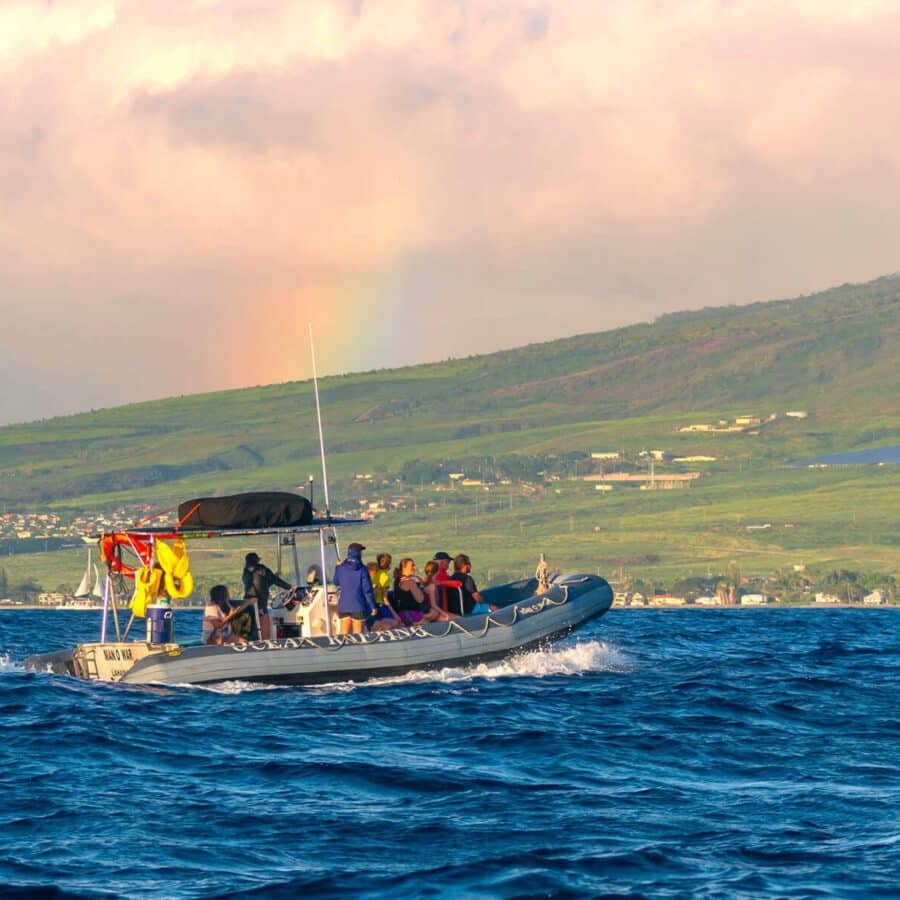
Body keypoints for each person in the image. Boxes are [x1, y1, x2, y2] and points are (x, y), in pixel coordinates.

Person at [242, 551, 291, 640]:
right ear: (257, 561)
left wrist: (272, 578)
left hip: (248, 604)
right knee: (265, 634)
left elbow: (261, 584)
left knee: (253, 632)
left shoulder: (246, 572)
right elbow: (275, 580)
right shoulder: (261, 569)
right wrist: (289, 587)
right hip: (260, 603)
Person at [333, 541, 376, 634]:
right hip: (358, 605)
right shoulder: (363, 569)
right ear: (358, 554)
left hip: (343, 606)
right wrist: (373, 606)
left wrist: (337, 567)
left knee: (344, 634)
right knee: (358, 635)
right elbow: (367, 590)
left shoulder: (340, 568)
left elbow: (336, 582)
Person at [393, 558, 441, 625]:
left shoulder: (400, 579)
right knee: (430, 621)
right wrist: (417, 585)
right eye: (412, 565)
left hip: (408, 611)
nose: (415, 567)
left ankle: (421, 618)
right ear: (404, 568)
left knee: (434, 613)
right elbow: (420, 599)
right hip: (408, 613)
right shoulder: (409, 582)